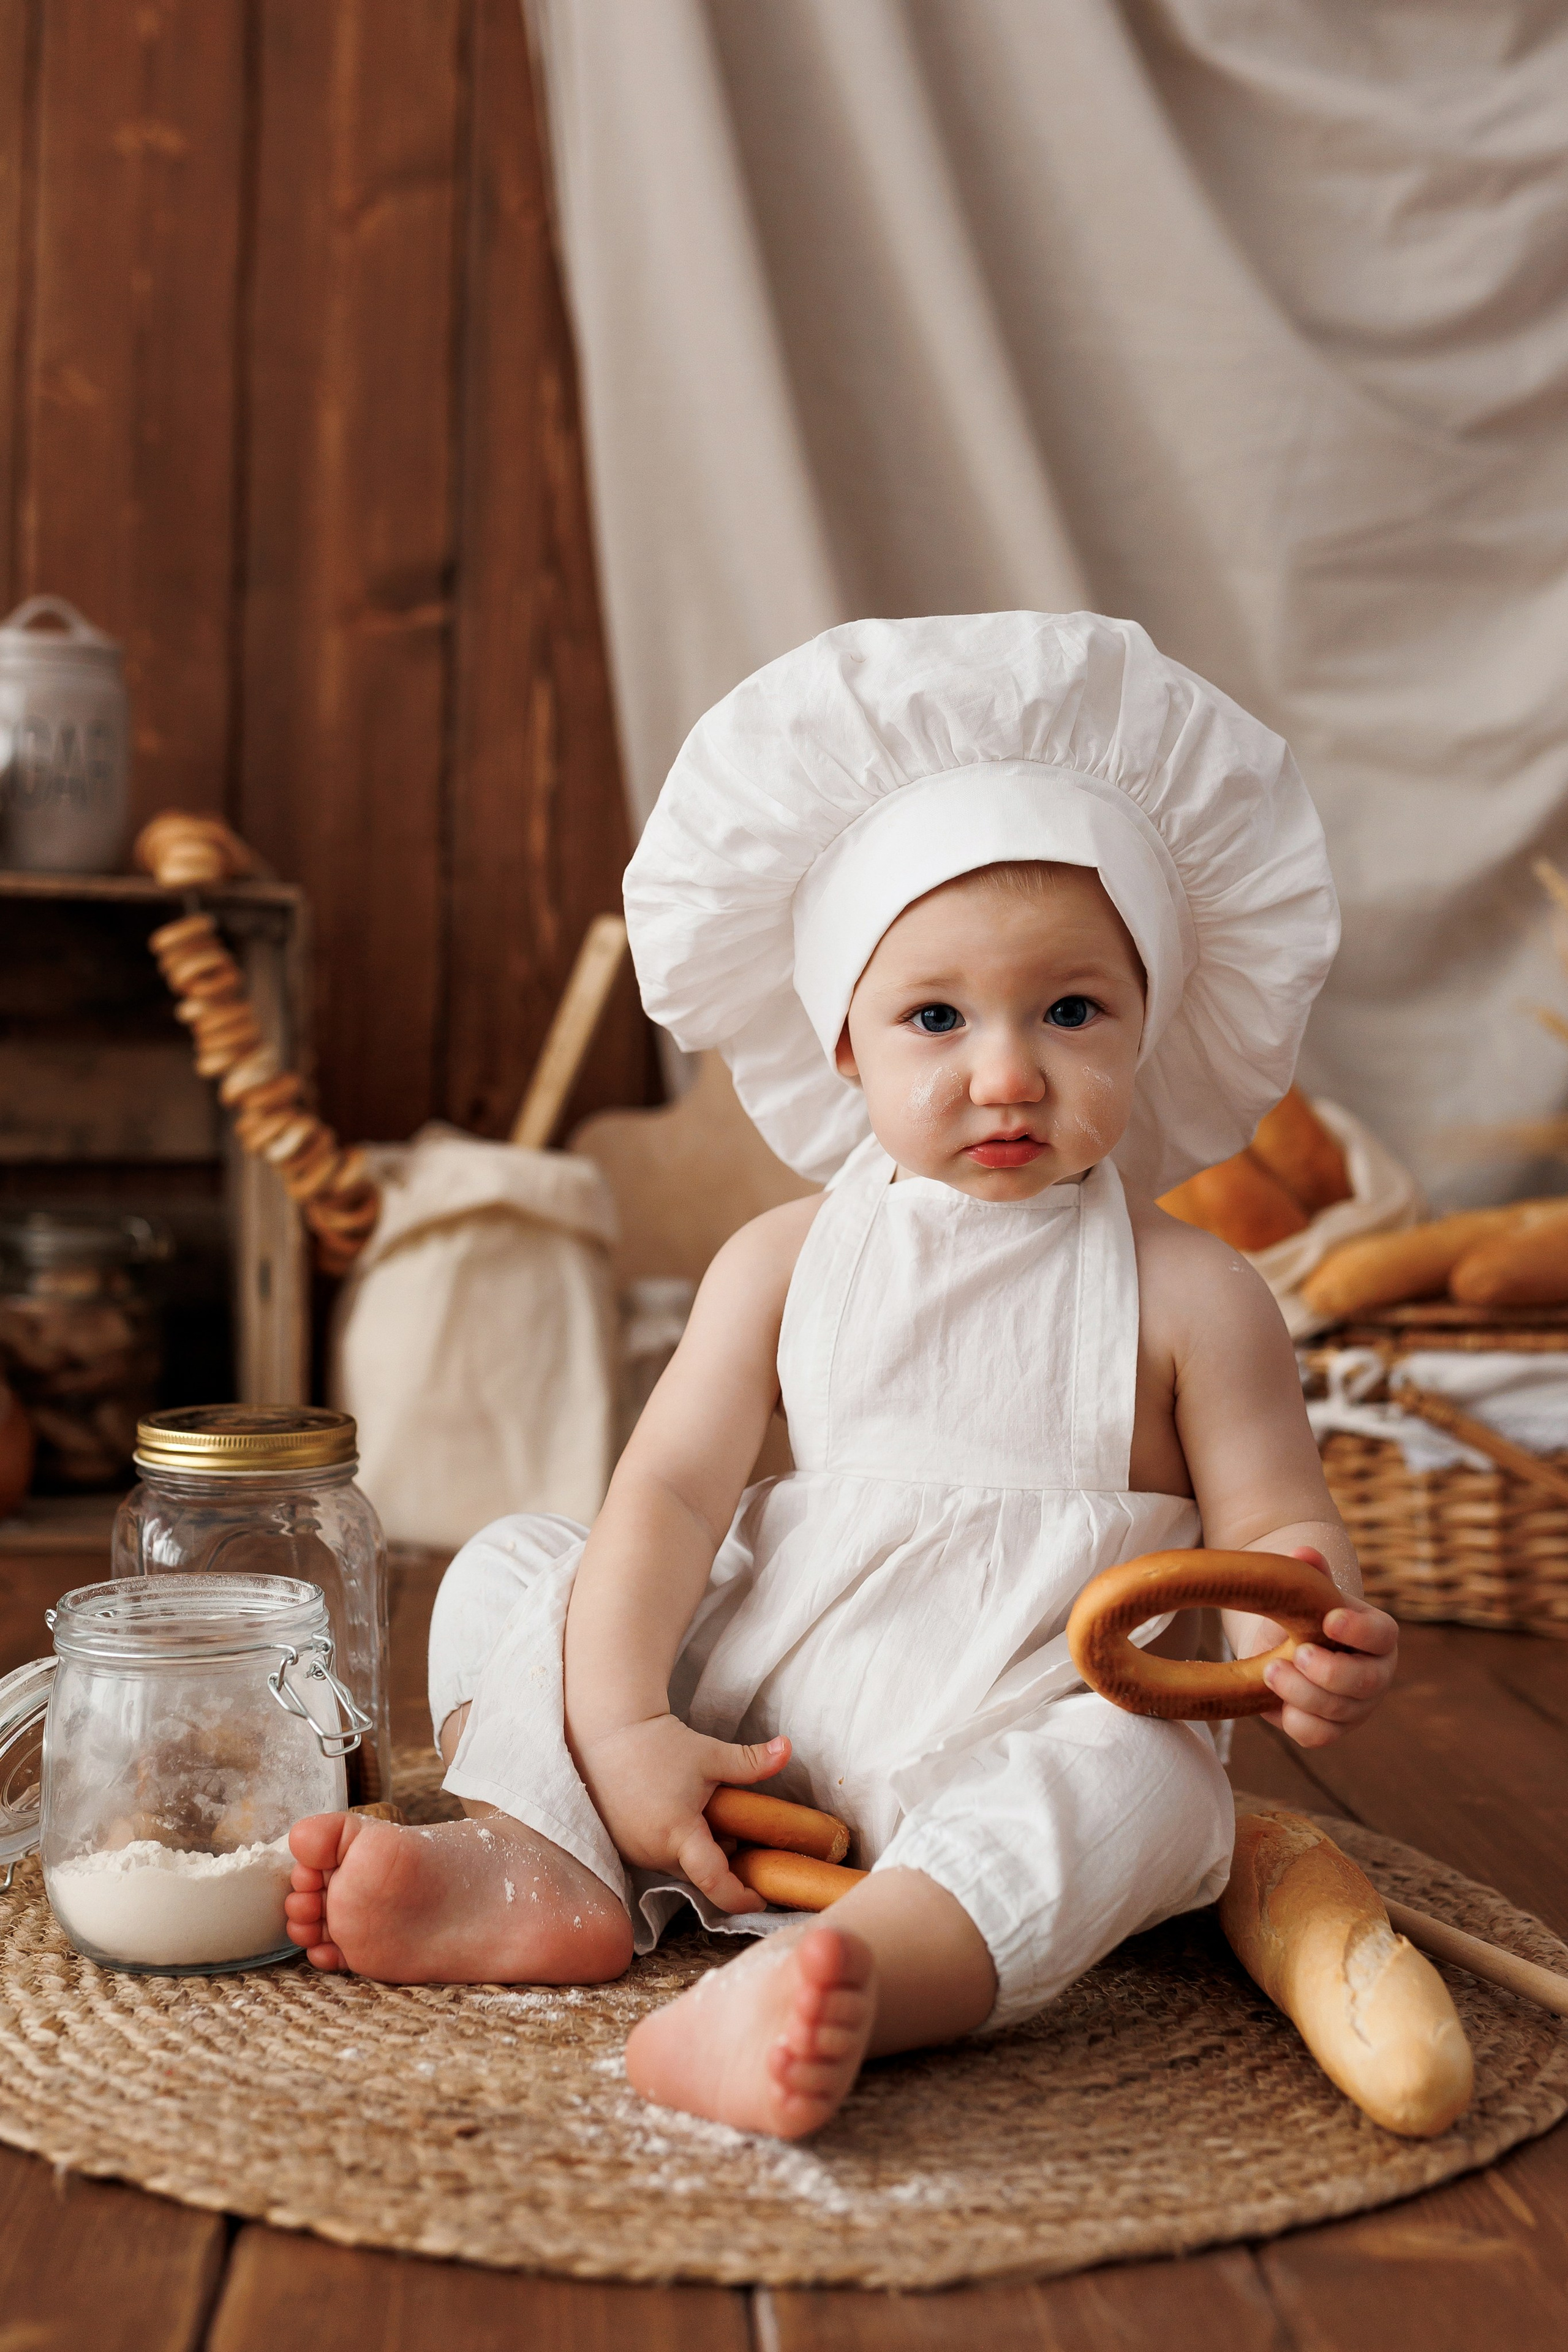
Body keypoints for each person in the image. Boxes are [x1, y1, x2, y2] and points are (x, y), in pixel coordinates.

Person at [286, 612, 1398, 2140]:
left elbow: (1278, 1522)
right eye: (934, 1017)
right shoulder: (781, 1260)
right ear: (842, 1043)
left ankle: (858, 1976)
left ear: (1150, 1023)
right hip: (763, 1734)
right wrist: (625, 1727)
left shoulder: (1197, 1293)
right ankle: (538, 1855)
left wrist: (1312, 1624)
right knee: (520, 1567)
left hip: (1021, 1726)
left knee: (1153, 1791)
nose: (1003, 1070)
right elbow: (672, 1492)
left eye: (1069, 1011)